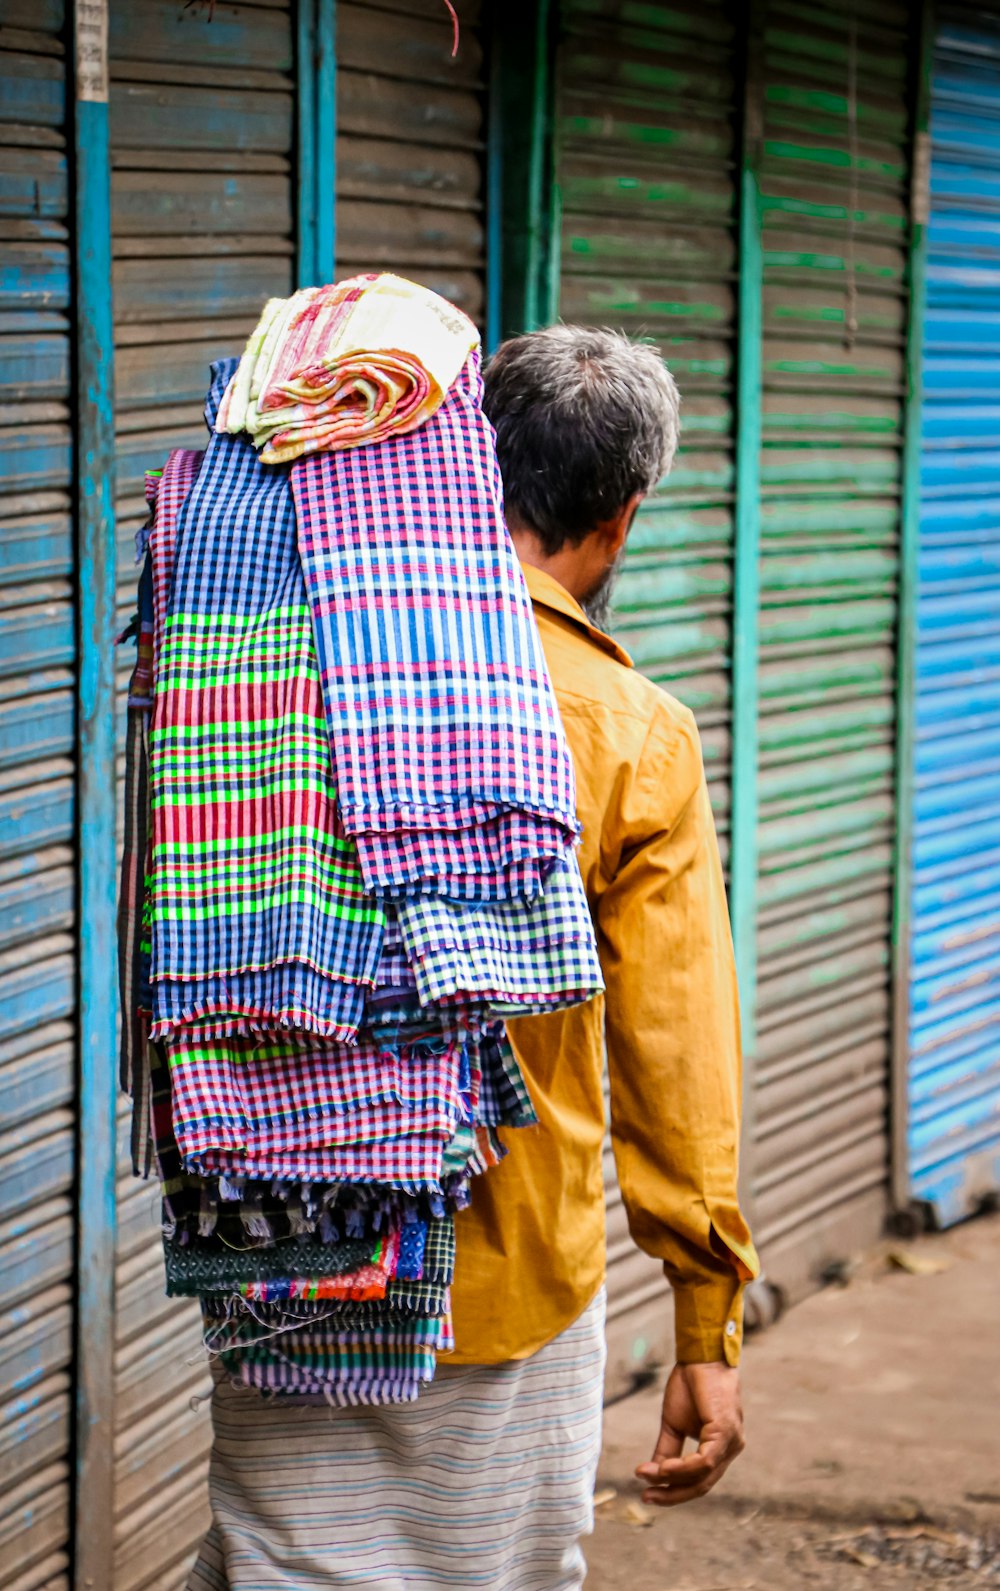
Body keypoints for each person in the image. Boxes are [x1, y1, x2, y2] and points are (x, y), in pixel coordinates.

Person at [187, 325, 757, 1591]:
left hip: (290, 1243)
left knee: (280, 1566)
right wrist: (704, 1319)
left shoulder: (270, 665)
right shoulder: (631, 729)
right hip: (505, 1280)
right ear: (620, 516)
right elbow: (675, 1056)